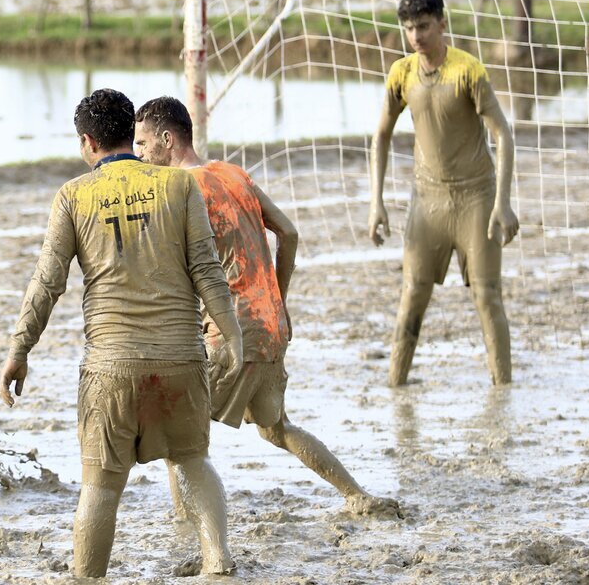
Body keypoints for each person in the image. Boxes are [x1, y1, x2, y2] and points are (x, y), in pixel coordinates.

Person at [0, 88, 245, 578]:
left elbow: (47, 283)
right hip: (180, 358)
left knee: (101, 485)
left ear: (88, 142)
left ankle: (87, 581)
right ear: (129, 134)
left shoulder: (72, 196)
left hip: (110, 365)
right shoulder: (178, 187)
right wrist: (233, 336)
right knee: (194, 461)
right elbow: (208, 270)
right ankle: (218, 561)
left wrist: (18, 349)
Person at [134, 96, 400, 517]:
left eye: (144, 144)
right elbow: (289, 234)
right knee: (276, 429)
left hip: (230, 330)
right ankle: (356, 495)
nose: (141, 155)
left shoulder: (180, 188)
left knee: (176, 436)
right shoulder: (235, 174)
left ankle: (189, 526)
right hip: (271, 324)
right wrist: (279, 298)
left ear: (168, 140)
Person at [369, 0, 519, 387]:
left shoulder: (468, 71)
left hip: (476, 198)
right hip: (428, 202)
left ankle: (502, 389)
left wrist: (502, 203)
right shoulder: (401, 73)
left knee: (487, 296)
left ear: (441, 24)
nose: (416, 36)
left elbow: (503, 135)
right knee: (413, 293)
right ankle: (394, 388)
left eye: (423, 26)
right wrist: (376, 202)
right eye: (409, 28)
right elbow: (381, 135)